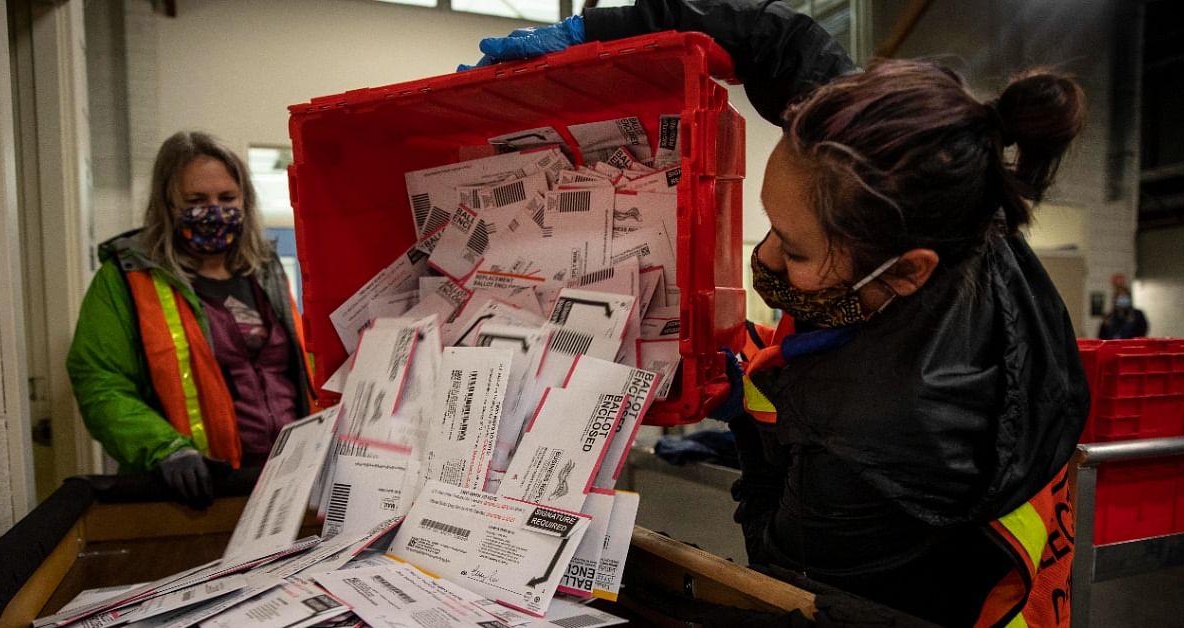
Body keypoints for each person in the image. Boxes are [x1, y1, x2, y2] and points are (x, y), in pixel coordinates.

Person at [467, 2, 1089, 625]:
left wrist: (748, 422)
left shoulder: (872, 436)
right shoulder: (936, 189)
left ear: (906, 271)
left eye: (794, 250)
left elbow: (780, 571)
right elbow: (777, 38)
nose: (763, 256)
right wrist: (594, 32)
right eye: (772, 226)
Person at [67, 131, 314, 508]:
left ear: (245, 200)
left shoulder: (264, 273)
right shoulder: (128, 278)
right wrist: (165, 449)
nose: (214, 210)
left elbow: (298, 370)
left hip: (284, 484)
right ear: (168, 204)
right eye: (196, 200)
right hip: (193, 494)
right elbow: (100, 382)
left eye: (227, 198)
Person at [1098, 274, 1148, 339]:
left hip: (1132, 346)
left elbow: (1142, 333)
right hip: (1113, 346)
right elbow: (1102, 336)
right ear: (1115, 300)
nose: (1122, 301)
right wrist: (1107, 325)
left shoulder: (1137, 314)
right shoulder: (1109, 316)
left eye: (1125, 298)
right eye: (1120, 298)